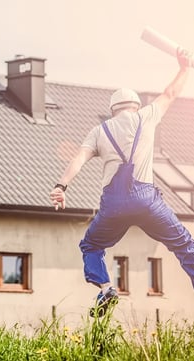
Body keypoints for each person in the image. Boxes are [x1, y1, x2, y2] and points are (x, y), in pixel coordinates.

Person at [50, 49, 193, 317]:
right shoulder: (146, 117)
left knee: (91, 245)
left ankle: (105, 288)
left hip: (113, 205)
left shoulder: (99, 130)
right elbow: (171, 93)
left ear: (112, 110)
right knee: (184, 244)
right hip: (147, 201)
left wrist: (61, 186)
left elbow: (79, 158)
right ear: (135, 106)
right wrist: (184, 67)